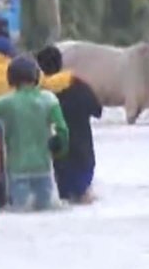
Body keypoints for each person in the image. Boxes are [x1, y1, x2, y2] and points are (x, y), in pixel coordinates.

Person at [0, 55, 70, 212]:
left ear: (11, 78)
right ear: (36, 76)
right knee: (46, 212)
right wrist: (60, 149)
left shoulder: (4, 102)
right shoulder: (49, 100)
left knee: (19, 212)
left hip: (17, 171)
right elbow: (63, 131)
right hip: (44, 168)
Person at [37, 45, 103, 204]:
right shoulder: (78, 84)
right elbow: (98, 111)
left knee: (64, 200)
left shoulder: (39, 92)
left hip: (58, 160)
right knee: (83, 200)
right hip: (84, 156)